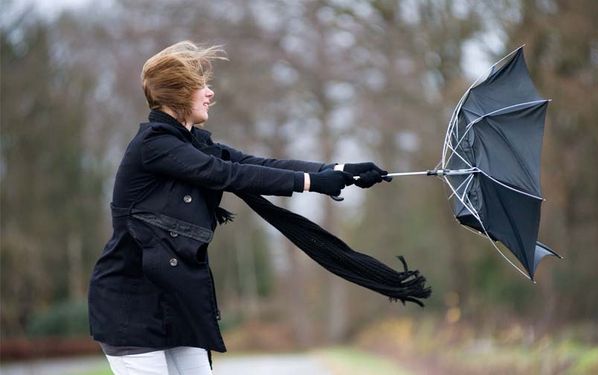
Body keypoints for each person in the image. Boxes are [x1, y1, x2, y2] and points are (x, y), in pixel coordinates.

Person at [88, 41, 390, 374]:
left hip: (176, 303)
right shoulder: (154, 146)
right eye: (201, 85)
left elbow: (253, 162)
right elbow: (226, 174)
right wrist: (311, 183)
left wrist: (336, 170)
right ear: (178, 93)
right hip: (130, 307)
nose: (210, 93)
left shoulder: (193, 142)